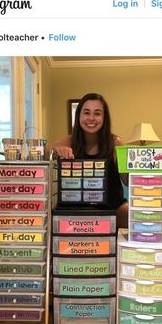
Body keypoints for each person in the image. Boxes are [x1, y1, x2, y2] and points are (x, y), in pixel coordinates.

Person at [47, 93, 128, 228]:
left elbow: (127, 180)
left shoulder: (116, 142)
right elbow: (47, 150)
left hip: (112, 207)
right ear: (79, 116)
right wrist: (57, 149)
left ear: (104, 118)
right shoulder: (69, 140)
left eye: (97, 113)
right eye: (86, 113)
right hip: (74, 206)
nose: (91, 118)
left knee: (130, 214)